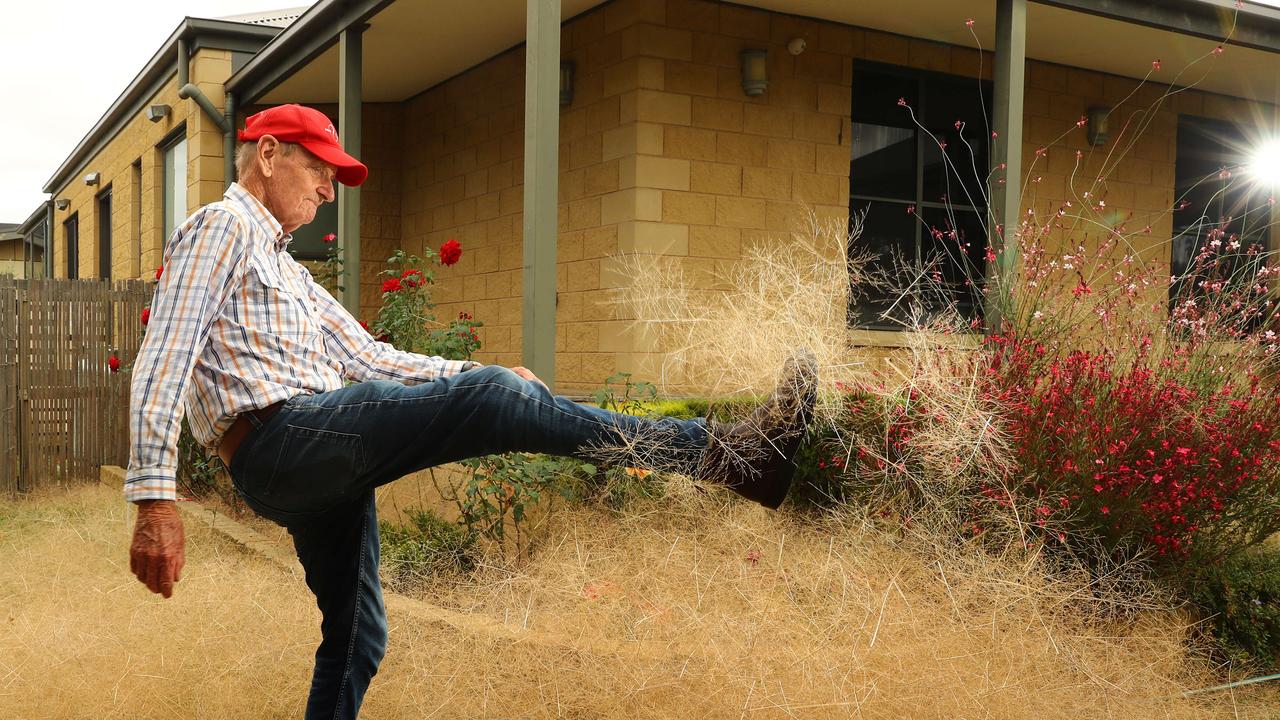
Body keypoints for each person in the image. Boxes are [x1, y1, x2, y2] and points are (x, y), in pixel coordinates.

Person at [126, 103, 817, 720]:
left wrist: (474, 376)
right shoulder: (221, 227)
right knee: (496, 399)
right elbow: (164, 356)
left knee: (358, 635)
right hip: (280, 441)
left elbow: (369, 358)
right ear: (270, 154)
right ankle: (734, 457)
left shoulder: (290, 270)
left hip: (313, 451)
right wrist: (154, 497)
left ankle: (741, 461)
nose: (329, 188)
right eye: (319, 168)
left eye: (334, 176)